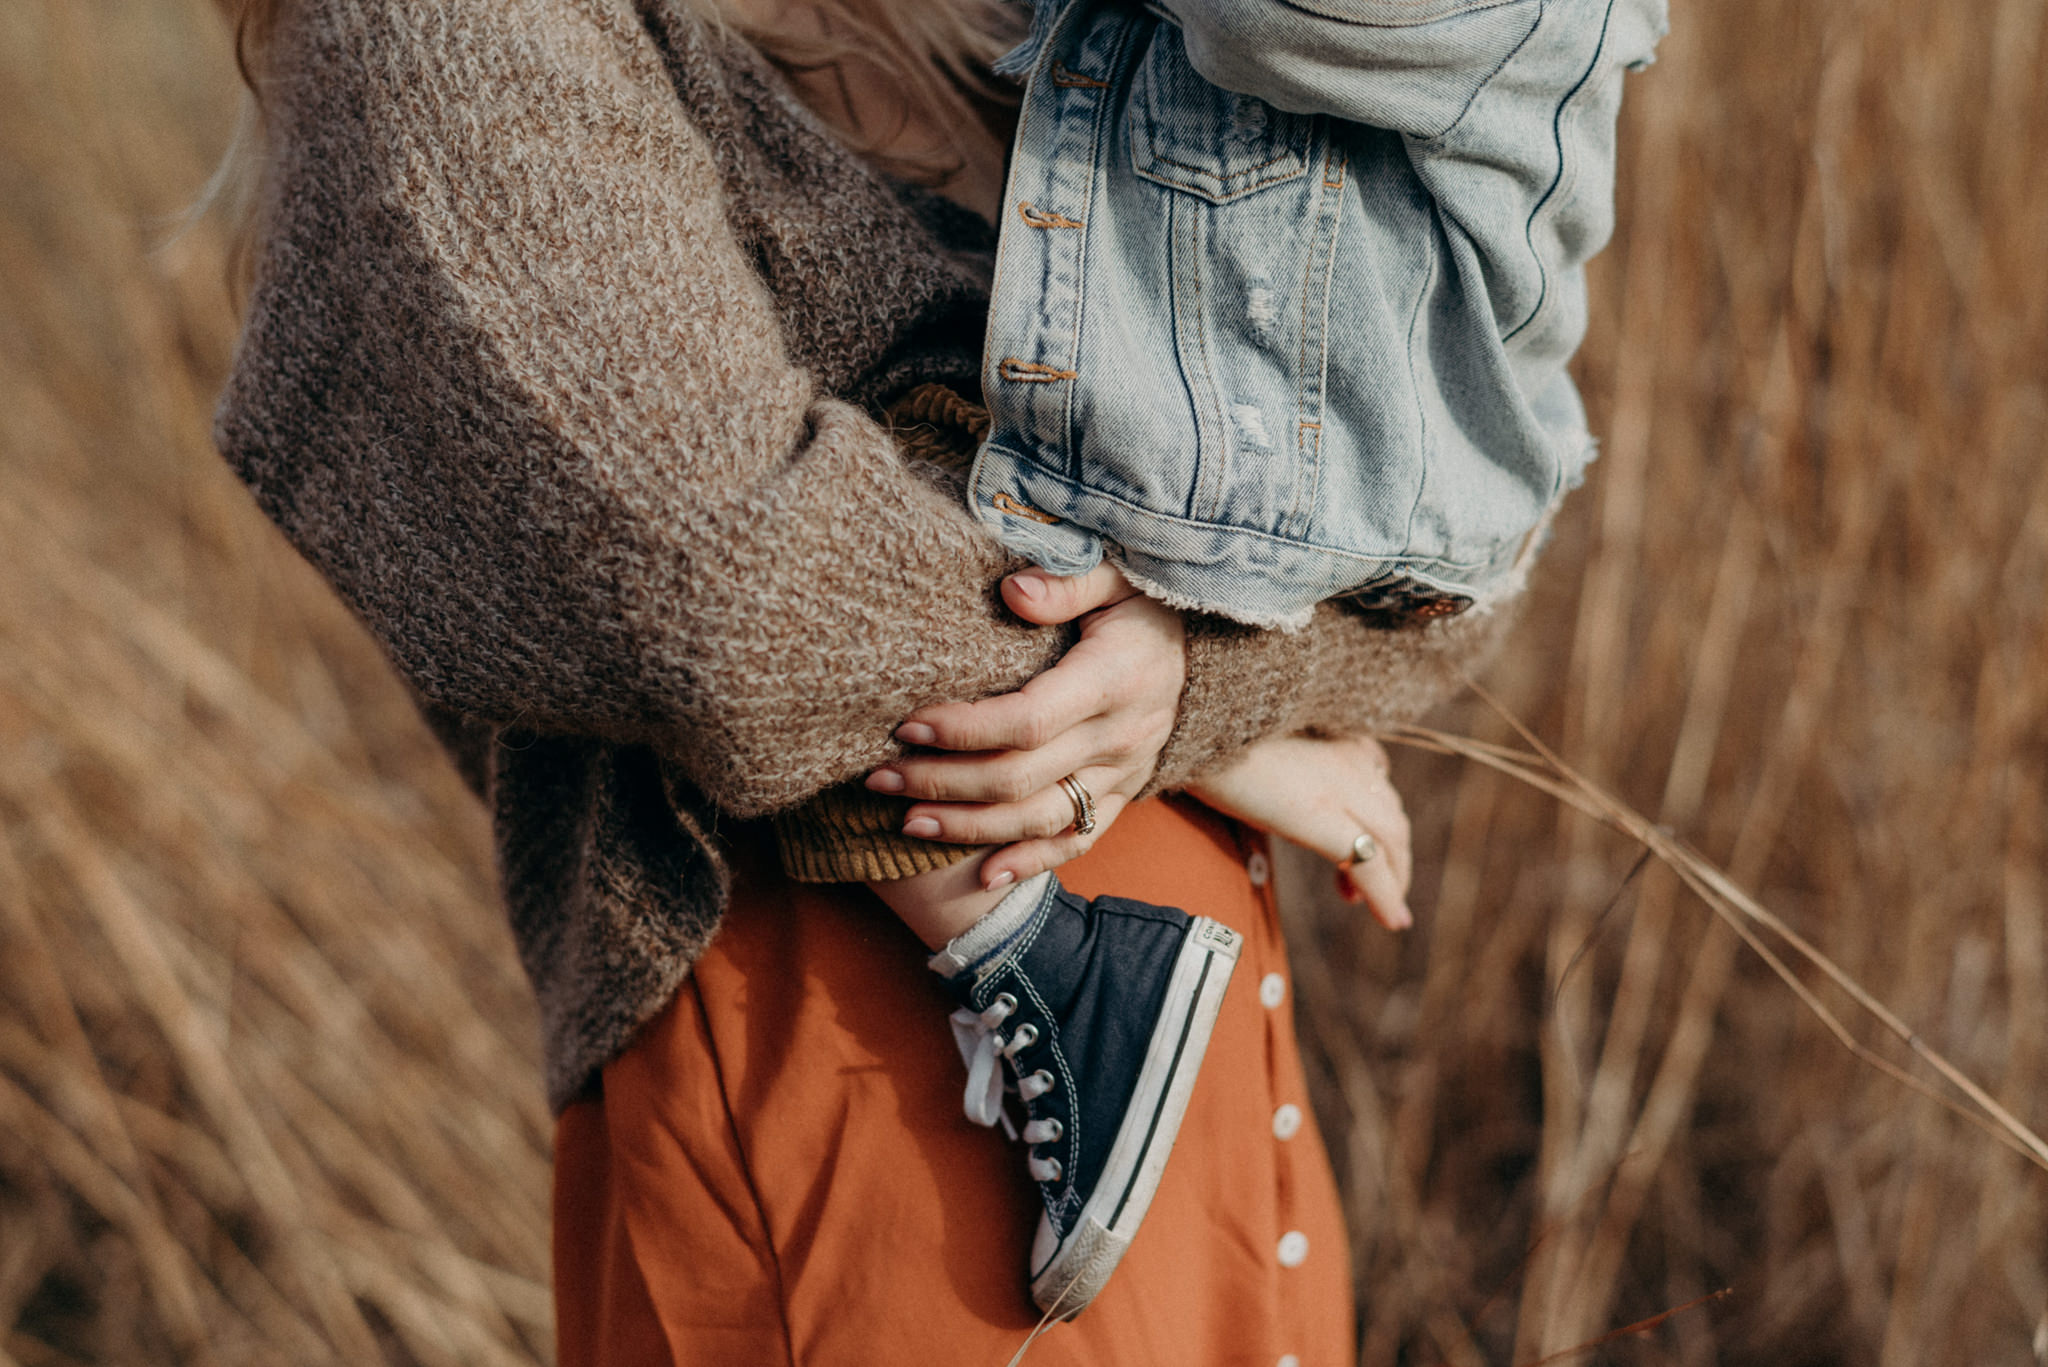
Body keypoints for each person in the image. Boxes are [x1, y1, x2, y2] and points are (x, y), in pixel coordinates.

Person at [212, 0, 1533, 1358]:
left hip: (1218, 1082)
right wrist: (1197, 718)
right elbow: (709, 588)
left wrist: (1210, 672)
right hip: (864, 1111)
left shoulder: (1023, 18)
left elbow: (1452, 535)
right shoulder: (437, 27)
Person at [764, 0, 1664, 1316]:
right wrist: (1229, 724)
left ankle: (1033, 953)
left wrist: (1205, 702)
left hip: (930, 1063)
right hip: (889, 1067)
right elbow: (700, 579)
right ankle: (1039, 952)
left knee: (916, 456)